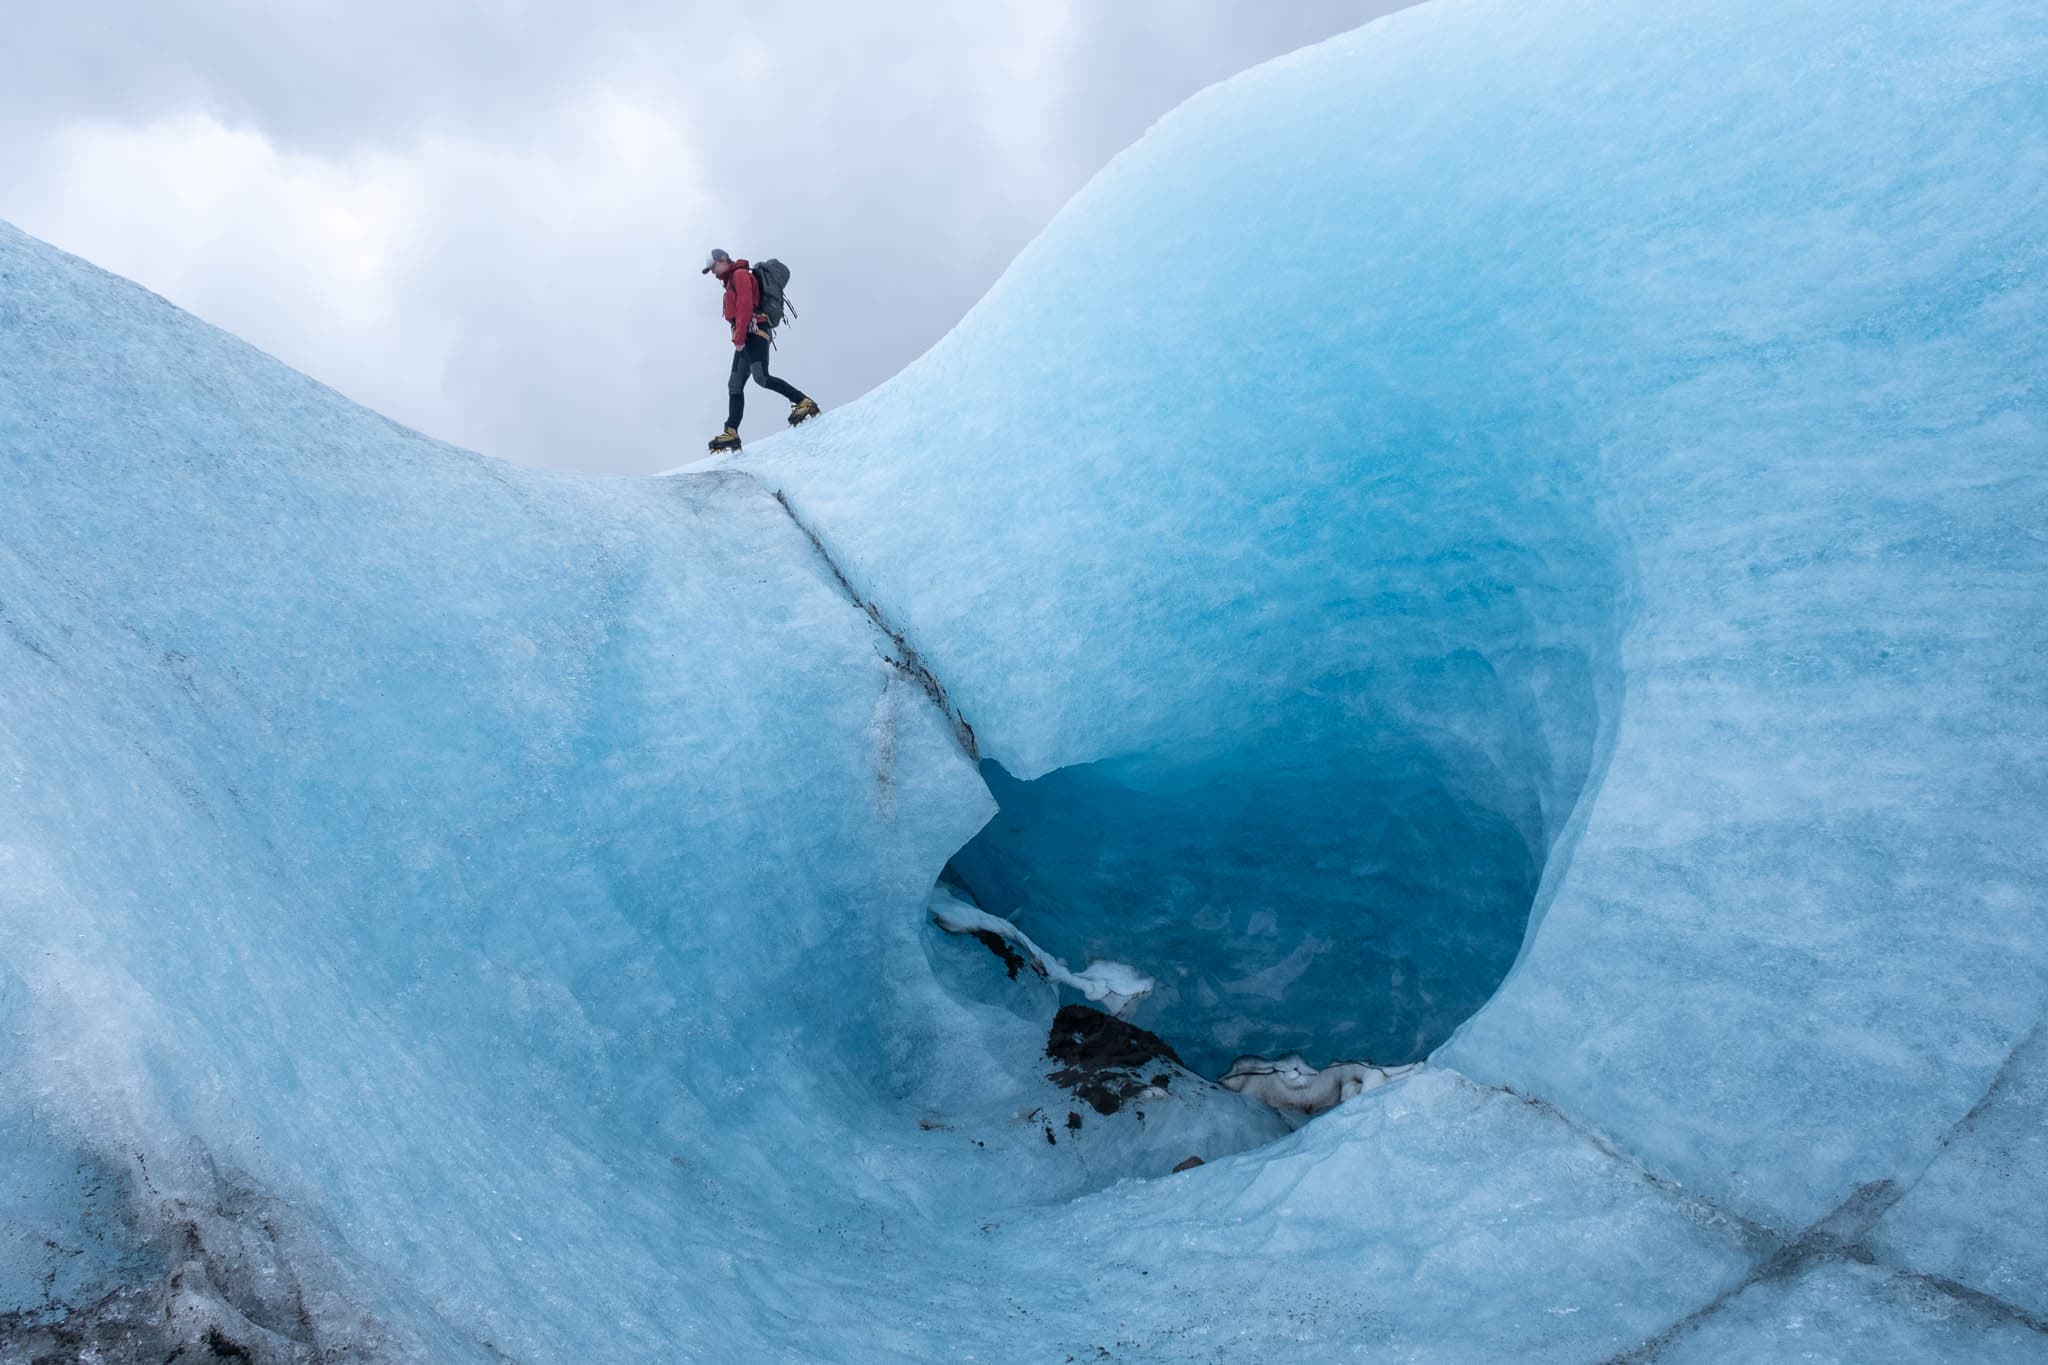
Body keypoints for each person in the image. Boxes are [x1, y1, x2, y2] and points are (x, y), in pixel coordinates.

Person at [702, 248, 819, 452]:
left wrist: (739, 338)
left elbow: (745, 305)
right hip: (746, 335)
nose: (713, 272)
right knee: (735, 384)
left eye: (713, 267)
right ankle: (731, 431)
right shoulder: (731, 280)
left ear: (723, 260)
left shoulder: (739, 275)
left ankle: (803, 401)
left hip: (754, 333)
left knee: (761, 377)